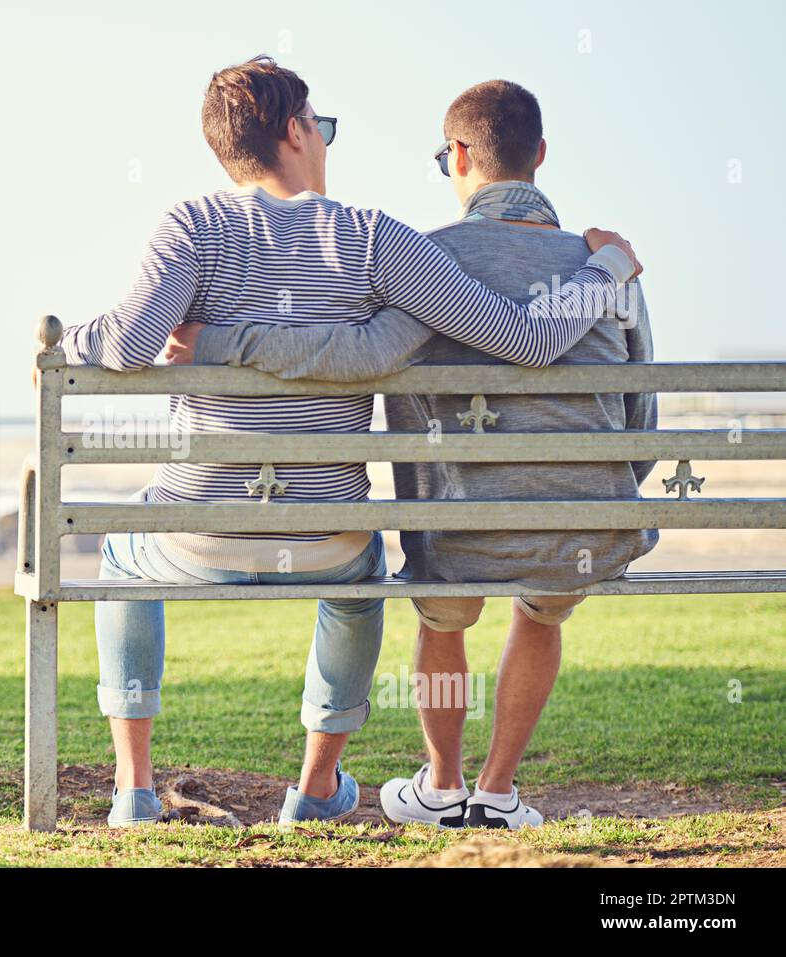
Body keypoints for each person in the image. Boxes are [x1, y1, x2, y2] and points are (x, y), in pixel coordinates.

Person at [57, 56, 641, 827]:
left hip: (200, 533)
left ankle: (133, 787)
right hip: (326, 534)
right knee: (360, 577)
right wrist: (609, 268)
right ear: (295, 131)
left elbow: (127, 341)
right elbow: (522, 339)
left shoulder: (192, 225)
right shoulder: (374, 240)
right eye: (320, 127)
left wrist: (67, 339)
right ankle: (318, 784)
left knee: (121, 555)